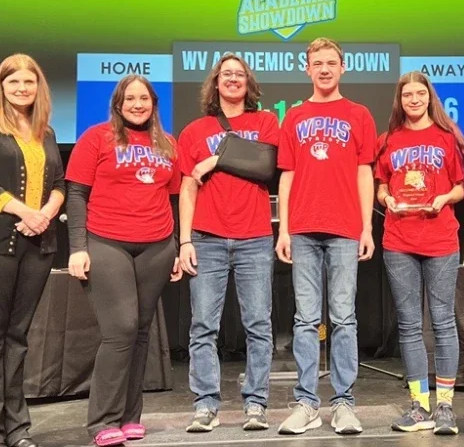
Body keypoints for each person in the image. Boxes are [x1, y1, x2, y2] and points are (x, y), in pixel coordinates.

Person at [65, 75, 183, 447]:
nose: (137, 104)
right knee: (122, 329)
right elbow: (76, 194)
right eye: (129, 98)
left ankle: (131, 417)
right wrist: (78, 247)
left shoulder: (167, 143)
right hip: (106, 241)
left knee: (142, 332)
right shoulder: (95, 137)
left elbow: (174, 197)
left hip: (157, 245)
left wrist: (176, 245)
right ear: (118, 104)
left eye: (143, 98)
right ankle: (102, 420)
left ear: (153, 104)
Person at [0, 54, 65, 447]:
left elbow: (59, 182)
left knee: (17, 338)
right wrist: (23, 210)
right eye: (14, 82)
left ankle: (17, 430)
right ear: (0, 87)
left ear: (39, 88)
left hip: (37, 248)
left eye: (29, 82)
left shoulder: (47, 132)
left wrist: (46, 213)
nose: (22, 89)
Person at [275, 37, 378, 435]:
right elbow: (287, 174)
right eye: (316, 63)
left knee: (344, 318)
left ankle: (344, 404)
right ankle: (306, 403)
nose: (323, 69)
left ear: (342, 67)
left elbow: (364, 171)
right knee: (304, 320)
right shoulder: (295, 116)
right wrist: (283, 228)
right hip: (301, 228)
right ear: (307, 69)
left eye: (330, 62)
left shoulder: (359, 114)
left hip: (344, 229)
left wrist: (366, 226)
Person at [176, 54, 280, 432]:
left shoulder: (266, 121)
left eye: (239, 74)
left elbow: (265, 167)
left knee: (258, 324)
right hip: (206, 238)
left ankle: (256, 404)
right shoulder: (193, 131)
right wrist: (184, 240)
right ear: (215, 83)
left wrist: (214, 160)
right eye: (226, 75)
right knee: (203, 325)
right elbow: (188, 188)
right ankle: (205, 404)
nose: (233, 79)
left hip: (254, 236)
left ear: (248, 83)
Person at [374, 71, 464, 435]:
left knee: (443, 320)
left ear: (429, 97)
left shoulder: (448, 138)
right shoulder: (388, 140)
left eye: (419, 94)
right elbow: (382, 185)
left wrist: (442, 199)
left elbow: (463, 187)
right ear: (399, 101)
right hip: (399, 239)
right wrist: (387, 199)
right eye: (407, 95)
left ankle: (445, 407)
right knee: (409, 324)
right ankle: (419, 405)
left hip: (440, 240)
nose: (413, 100)